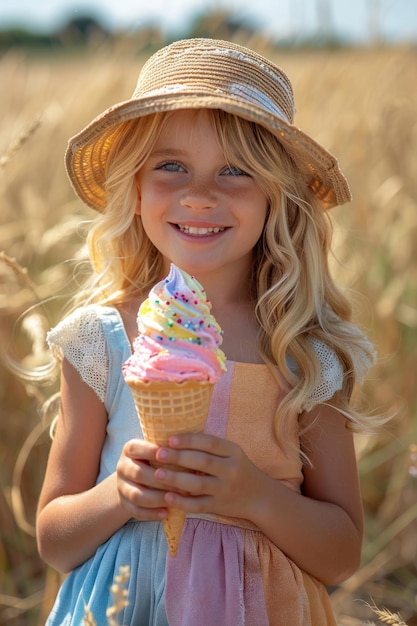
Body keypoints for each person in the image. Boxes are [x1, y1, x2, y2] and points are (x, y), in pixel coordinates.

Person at [37, 38, 380, 626]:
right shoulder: (100, 340)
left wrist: (254, 495)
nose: (200, 194)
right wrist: (118, 494)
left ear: (277, 198)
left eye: (236, 170)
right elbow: (55, 540)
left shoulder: (303, 353)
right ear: (136, 186)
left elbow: (341, 553)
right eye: (171, 165)